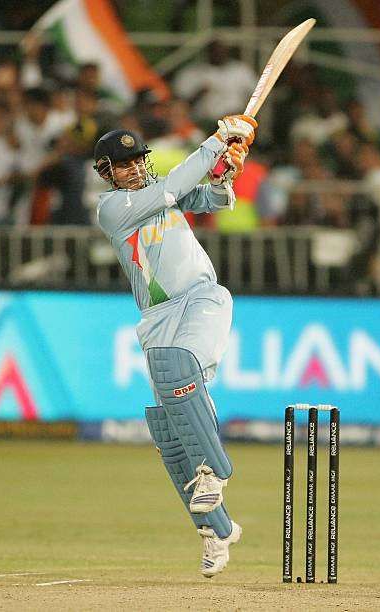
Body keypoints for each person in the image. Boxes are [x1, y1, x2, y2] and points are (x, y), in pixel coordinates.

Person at [93, 114, 257, 577]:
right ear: (107, 173)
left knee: (176, 367)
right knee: (168, 431)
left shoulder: (163, 189)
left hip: (202, 296)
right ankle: (216, 531)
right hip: (158, 317)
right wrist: (216, 142)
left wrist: (227, 169)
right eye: (119, 166)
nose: (129, 170)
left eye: (133, 162)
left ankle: (213, 472)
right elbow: (173, 189)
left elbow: (215, 198)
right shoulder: (111, 208)